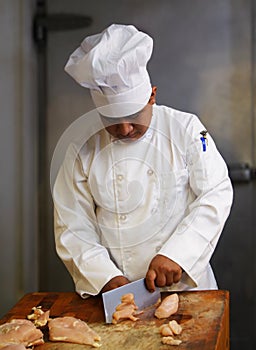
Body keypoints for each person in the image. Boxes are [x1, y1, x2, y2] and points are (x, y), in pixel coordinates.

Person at [53, 24, 233, 298]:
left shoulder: (190, 129)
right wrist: (102, 275)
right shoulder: (80, 146)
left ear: (152, 95)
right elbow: (71, 221)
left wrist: (179, 254)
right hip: (118, 294)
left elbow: (216, 192)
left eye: (134, 116)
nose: (124, 129)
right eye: (112, 119)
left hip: (185, 288)